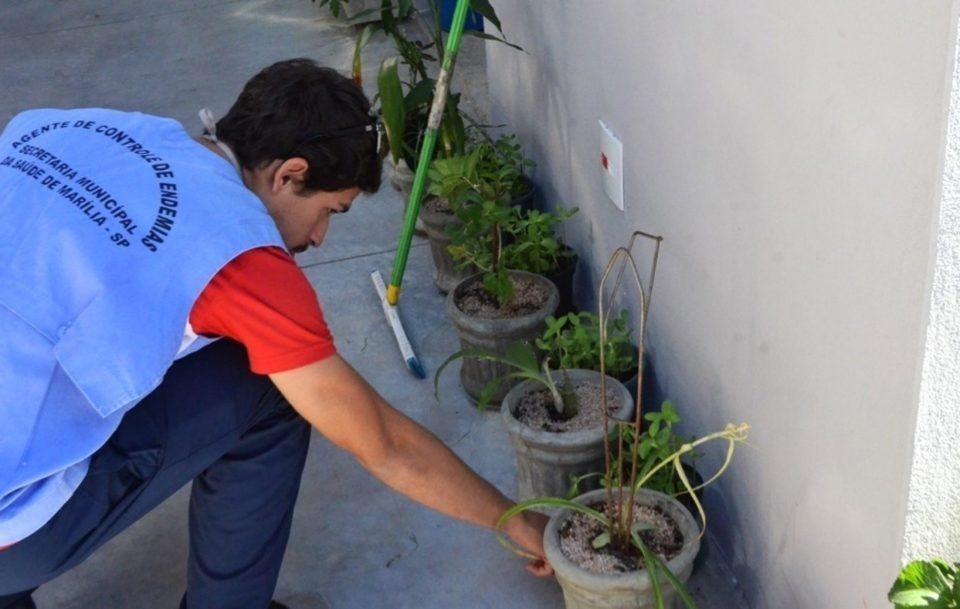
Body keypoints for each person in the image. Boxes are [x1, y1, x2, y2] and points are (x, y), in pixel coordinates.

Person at [0, 58, 550, 609]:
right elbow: (381, 443)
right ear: (288, 174)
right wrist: (514, 521)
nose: (320, 237)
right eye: (329, 210)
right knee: (269, 387)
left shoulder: (56, 127)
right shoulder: (237, 254)